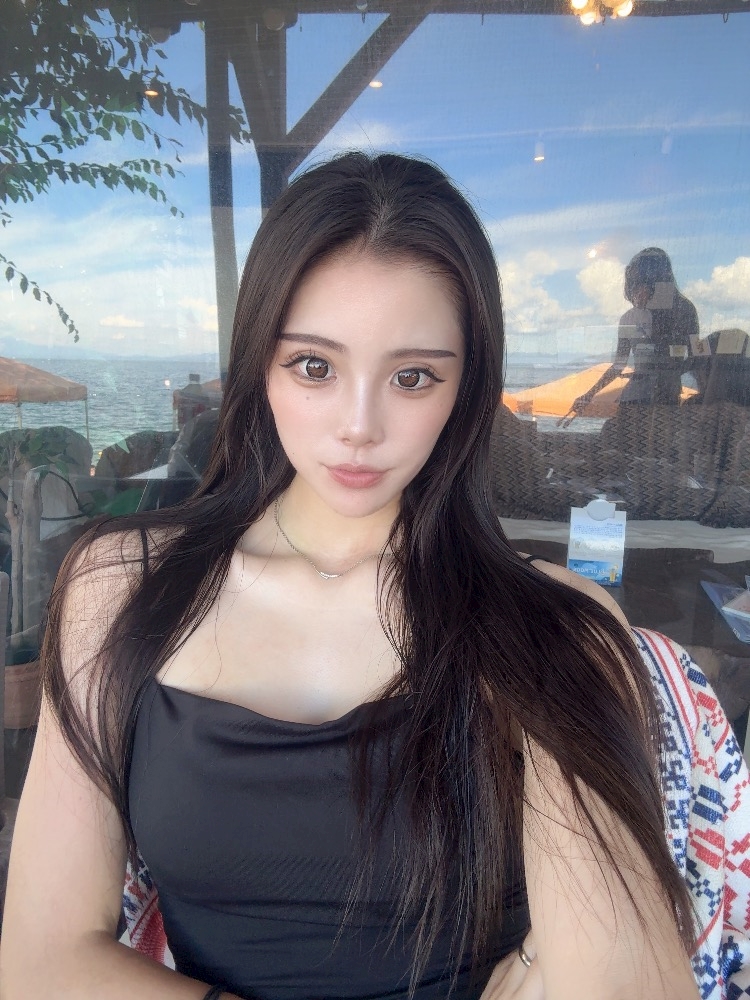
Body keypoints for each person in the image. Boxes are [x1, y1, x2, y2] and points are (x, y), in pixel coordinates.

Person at [0, 154, 700, 1000]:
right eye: (314, 366)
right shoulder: (119, 589)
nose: (359, 427)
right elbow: (39, 964)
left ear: (465, 387)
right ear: (259, 363)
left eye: (413, 377)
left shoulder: (553, 627)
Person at [571, 247, 699, 415]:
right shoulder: (629, 318)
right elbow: (619, 365)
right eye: (634, 285)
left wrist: (660, 374)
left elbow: (697, 356)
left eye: (639, 283)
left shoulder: (684, 310)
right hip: (643, 400)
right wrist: (588, 395)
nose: (636, 291)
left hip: (662, 401)